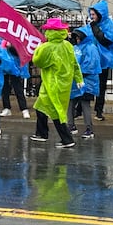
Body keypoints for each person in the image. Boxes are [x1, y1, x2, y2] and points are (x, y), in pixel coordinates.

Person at [30, 18, 83, 148]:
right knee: (40, 106)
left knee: (56, 111)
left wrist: (37, 50)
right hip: (63, 83)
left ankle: (67, 139)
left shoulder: (47, 47)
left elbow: (38, 62)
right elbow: (75, 64)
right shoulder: (68, 45)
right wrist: (79, 78)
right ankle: (41, 133)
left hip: (52, 84)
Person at [80, 0, 113, 121]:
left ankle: (98, 111)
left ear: (100, 14)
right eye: (91, 14)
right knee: (86, 83)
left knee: (101, 86)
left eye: (94, 14)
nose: (92, 17)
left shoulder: (110, 26)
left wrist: (96, 30)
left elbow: (107, 41)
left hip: (104, 61)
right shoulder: (92, 25)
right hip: (91, 61)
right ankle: (80, 109)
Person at [67, 27, 101, 139]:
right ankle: (71, 126)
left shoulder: (91, 48)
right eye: (75, 37)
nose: (77, 39)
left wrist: (78, 75)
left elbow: (91, 65)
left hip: (86, 81)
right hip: (78, 81)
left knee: (84, 104)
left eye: (78, 37)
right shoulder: (78, 47)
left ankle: (88, 129)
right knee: (71, 103)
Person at [0, 41, 31, 119]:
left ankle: (24, 109)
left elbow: (20, 52)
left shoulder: (17, 39)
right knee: (5, 88)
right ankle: (6, 108)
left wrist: (10, 47)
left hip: (15, 67)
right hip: (4, 67)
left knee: (18, 88)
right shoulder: (1, 39)